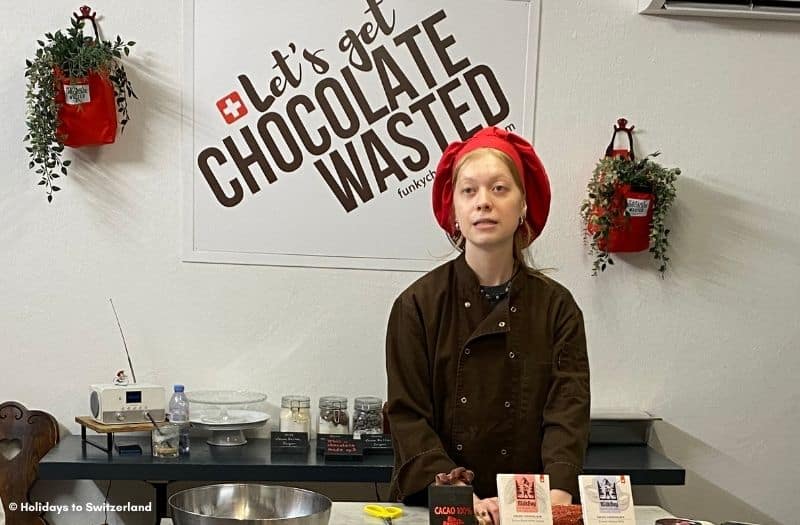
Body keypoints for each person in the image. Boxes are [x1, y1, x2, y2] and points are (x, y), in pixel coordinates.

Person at [385, 126, 590, 523]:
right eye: (469, 191)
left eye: (499, 189)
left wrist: (555, 502)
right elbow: (407, 416)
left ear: (523, 206)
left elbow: (568, 411)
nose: (484, 203)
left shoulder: (557, 308)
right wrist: (459, 495)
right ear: (455, 213)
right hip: (441, 504)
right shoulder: (417, 306)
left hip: (529, 509)